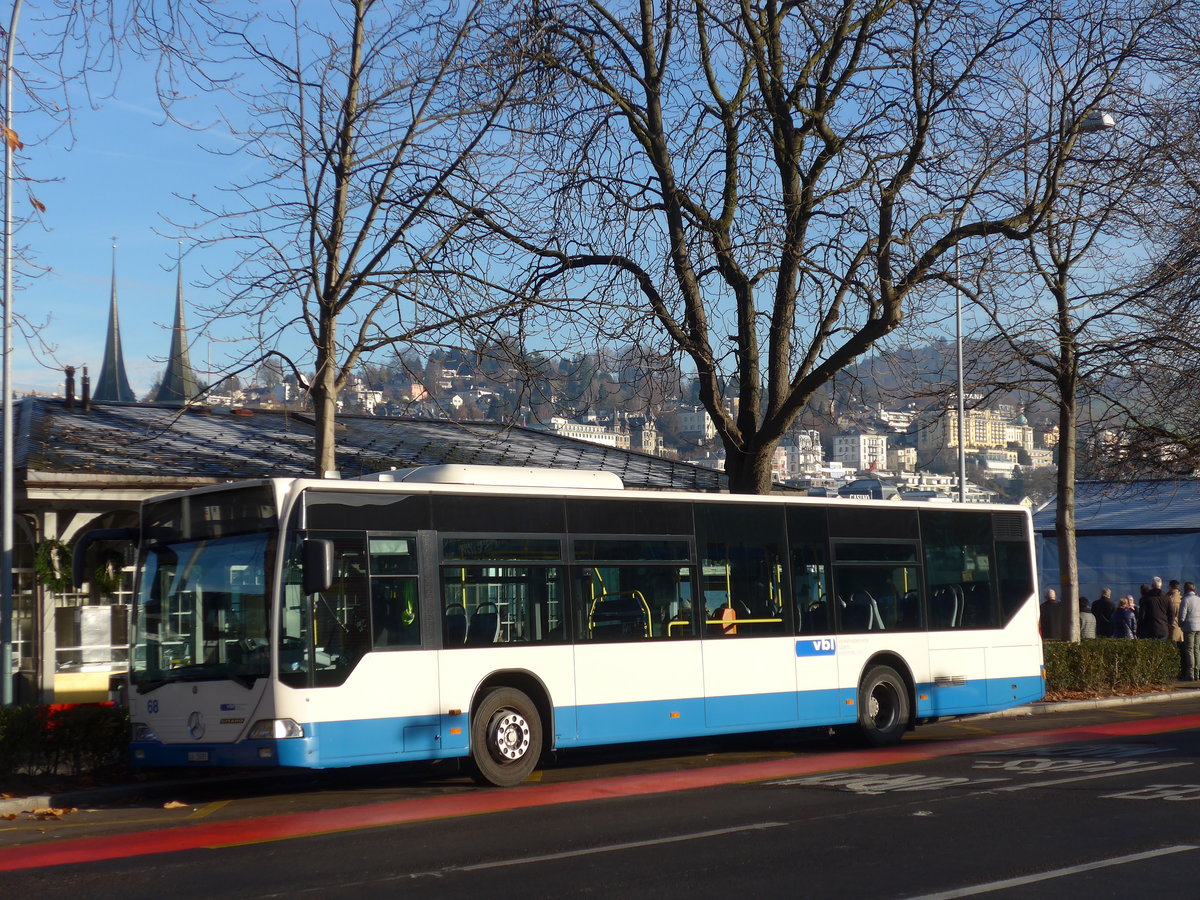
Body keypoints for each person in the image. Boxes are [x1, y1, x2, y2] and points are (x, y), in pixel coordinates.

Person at [1179, 582, 1200, 680]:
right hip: (1198, 627)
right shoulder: (1198, 599)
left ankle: (1190, 674)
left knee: (1189, 649)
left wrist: (1181, 624)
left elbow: (1182, 615)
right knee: (1196, 649)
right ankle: (1197, 673)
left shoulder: (1185, 600)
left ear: (1186, 589)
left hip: (1189, 627)